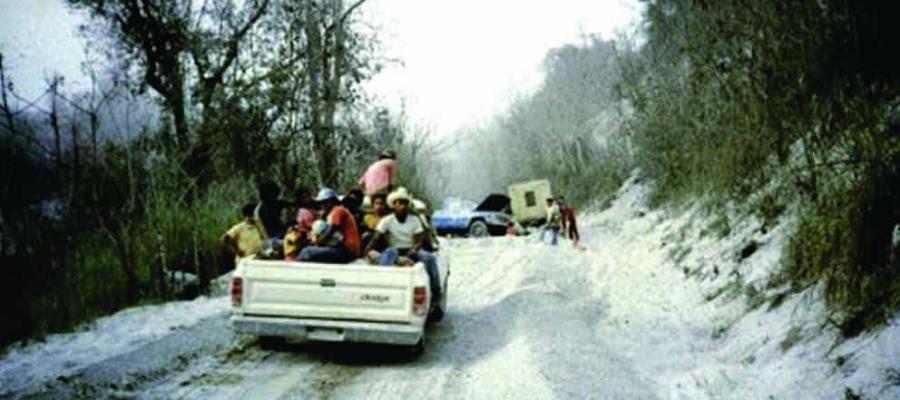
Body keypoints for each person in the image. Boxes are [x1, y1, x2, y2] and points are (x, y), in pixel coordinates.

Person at [362, 188, 442, 311]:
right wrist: (366, 251)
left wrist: (414, 249)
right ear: (393, 205)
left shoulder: (414, 220)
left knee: (429, 258)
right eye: (398, 203)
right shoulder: (387, 220)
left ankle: (436, 294)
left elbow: (419, 240)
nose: (401, 206)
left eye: (404, 203)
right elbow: (376, 238)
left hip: (410, 249)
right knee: (389, 254)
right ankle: (380, 289)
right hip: (395, 249)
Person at [298, 188, 361, 263]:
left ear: (330, 202)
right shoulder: (333, 212)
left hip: (347, 250)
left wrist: (317, 243)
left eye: (323, 203)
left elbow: (330, 232)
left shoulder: (338, 210)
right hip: (343, 248)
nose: (321, 206)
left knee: (306, 252)